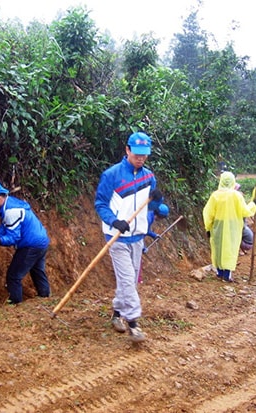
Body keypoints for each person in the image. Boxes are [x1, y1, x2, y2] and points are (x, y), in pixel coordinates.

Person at [94, 131, 162, 343]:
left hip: (137, 235)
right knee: (126, 279)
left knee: (129, 280)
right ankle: (133, 324)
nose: (140, 158)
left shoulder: (148, 176)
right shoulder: (112, 175)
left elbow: (149, 207)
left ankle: (116, 313)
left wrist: (157, 202)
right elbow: (100, 204)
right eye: (137, 153)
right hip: (117, 237)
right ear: (127, 150)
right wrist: (114, 221)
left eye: (144, 154)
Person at [0, 180, 51, 304]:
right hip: (41, 241)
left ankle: (15, 305)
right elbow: (5, 226)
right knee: (37, 271)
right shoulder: (9, 203)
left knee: (13, 276)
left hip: (31, 245)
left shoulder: (11, 211)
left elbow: (13, 238)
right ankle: (45, 297)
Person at [203, 172, 256, 282]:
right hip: (232, 226)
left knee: (218, 248)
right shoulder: (236, 195)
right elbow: (245, 211)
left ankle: (220, 272)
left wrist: (208, 228)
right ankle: (227, 275)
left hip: (217, 226)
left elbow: (208, 213)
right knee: (229, 249)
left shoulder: (215, 195)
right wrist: (254, 204)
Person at [138, 203, 169, 283]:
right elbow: (141, 233)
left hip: (137, 238)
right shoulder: (148, 218)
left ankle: (136, 280)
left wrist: (154, 235)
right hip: (135, 239)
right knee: (136, 260)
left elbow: (146, 231)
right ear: (160, 216)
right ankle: (137, 281)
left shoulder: (150, 214)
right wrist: (143, 247)